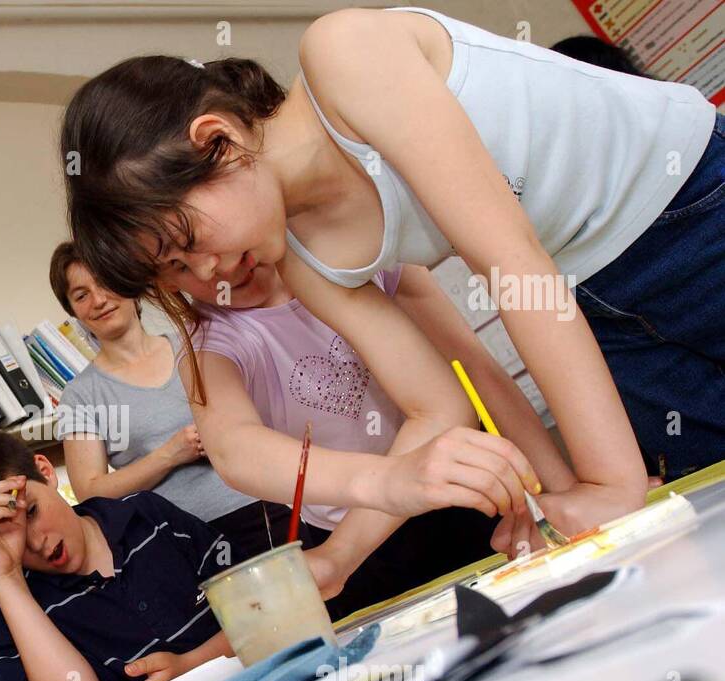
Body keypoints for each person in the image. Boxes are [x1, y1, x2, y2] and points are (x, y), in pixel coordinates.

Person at [61, 6, 722, 541]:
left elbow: (514, 262)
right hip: (597, 292)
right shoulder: (304, 256)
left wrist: (607, 484)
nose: (208, 275)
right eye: (175, 272)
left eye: (189, 242)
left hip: (691, 206)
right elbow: (441, 394)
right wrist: (552, 501)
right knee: (704, 491)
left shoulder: (343, 57)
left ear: (217, 142)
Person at [162, 258, 569, 617]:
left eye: (197, 239)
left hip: (465, 496)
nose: (210, 268)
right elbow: (234, 448)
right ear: (160, 282)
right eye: (177, 266)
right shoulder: (213, 344)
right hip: (358, 548)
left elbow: (476, 370)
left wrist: (556, 489)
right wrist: (346, 547)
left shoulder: (359, 259)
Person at [0, 431, 233, 681]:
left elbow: (268, 609)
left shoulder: (148, 515)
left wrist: (189, 668)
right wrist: (6, 578)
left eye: (31, 511)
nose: (36, 542)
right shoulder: (1, 611)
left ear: (46, 472)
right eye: (8, 538)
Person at [51, 241, 290, 564]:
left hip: (263, 512)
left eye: (106, 282)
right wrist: (170, 455)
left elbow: (270, 414)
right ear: (73, 311)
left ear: (130, 283)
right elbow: (90, 493)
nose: (99, 300)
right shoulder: (80, 396)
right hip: (181, 544)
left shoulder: (200, 342)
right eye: (81, 295)